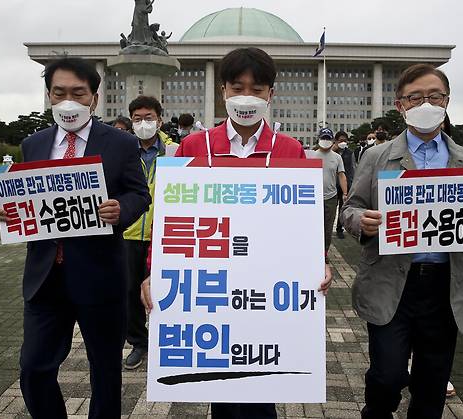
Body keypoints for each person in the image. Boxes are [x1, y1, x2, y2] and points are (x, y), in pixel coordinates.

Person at [141, 47, 333, 419]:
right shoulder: (195, 147)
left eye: (257, 89)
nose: (247, 97)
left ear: (271, 94)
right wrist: (154, 269)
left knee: (262, 377)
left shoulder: (289, 149)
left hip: (265, 283)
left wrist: (319, 262)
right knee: (223, 381)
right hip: (213, 278)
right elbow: (170, 214)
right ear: (223, 91)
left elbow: (304, 221)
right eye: (237, 87)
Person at [341, 63, 463, 419]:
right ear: (400, 104)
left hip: (445, 287)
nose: (426, 104)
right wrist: (363, 221)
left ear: (447, 101)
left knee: (431, 384)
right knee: (387, 376)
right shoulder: (377, 157)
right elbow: (351, 209)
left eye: (434, 96)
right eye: (415, 97)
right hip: (391, 282)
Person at [0, 57, 151, 419]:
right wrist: (2, 213)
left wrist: (119, 210)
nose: (68, 101)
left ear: (94, 97)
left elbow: (140, 195)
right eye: (59, 92)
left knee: (105, 373)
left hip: (100, 275)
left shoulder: (120, 143)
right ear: (48, 95)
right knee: (33, 368)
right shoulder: (34, 143)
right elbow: (24, 198)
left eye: (78, 93)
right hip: (46, 278)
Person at [122, 95, 173, 370]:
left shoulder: (175, 151)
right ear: (131, 121)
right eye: (138, 118)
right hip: (129, 234)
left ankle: (166, 339)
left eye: (149, 117)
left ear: (160, 119)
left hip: (166, 233)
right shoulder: (122, 151)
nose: (144, 123)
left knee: (165, 288)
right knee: (130, 292)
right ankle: (139, 343)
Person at [317, 128, 348, 253]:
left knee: (328, 227)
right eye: (323, 138)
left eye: (328, 138)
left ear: (332, 141)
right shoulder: (311, 155)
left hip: (331, 197)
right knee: (314, 226)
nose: (325, 141)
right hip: (313, 197)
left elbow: (341, 175)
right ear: (318, 139)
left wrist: (345, 193)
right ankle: (313, 252)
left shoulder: (337, 158)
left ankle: (324, 252)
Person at [334, 131, 354, 239]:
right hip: (333, 183)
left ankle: (339, 228)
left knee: (342, 207)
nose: (343, 142)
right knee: (333, 207)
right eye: (340, 140)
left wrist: (351, 182)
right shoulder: (332, 152)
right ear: (336, 141)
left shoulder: (349, 153)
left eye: (345, 141)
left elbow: (351, 168)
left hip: (345, 183)